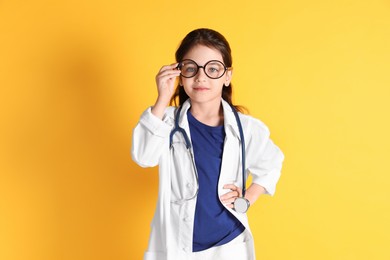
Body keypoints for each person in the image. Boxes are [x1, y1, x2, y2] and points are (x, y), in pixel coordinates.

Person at [131, 28, 284, 260]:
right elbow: (144, 157)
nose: (201, 77)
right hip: (177, 245)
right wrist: (162, 98)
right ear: (179, 75)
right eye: (191, 68)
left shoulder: (247, 128)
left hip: (228, 244)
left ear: (227, 76)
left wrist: (248, 198)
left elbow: (272, 163)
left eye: (213, 69)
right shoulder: (165, 121)